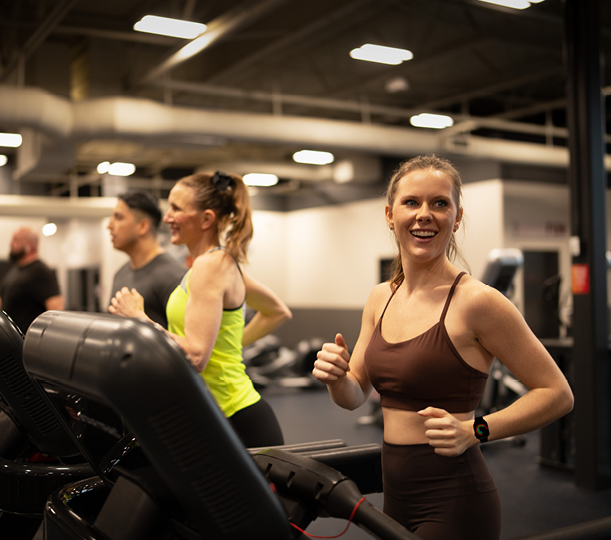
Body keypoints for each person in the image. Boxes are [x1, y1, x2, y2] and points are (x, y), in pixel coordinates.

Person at [312, 154, 574, 540]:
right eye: (411, 202)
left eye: (439, 203)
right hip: (395, 498)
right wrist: (337, 378)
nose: (424, 214)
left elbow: (557, 394)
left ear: (457, 216)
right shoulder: (380, 297)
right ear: (390, 214)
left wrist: (476, 430)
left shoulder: (478, 302)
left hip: (456, 498)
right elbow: (354, 396)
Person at [110, 171, 292, 448]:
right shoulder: (215, 263)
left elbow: (195, 356)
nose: (167, 217)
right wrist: (228, 348)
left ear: (206, 219)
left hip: (235, 417)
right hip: (218, 414)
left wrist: (141, 319)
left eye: (176, 209)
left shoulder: (212, 266)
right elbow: (278, 311)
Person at [107, 190, 186, 328]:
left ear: (143, 226)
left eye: (118, 217)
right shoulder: (120, 273)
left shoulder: (173, 276)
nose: (109, 225)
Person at [0, 227, 64, 333]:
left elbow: (57, 311)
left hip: (26, 343)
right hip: (9, 340)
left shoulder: (41, 272)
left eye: (16, 240)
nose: (11, 244)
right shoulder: (15, 270)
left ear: (29, 246)